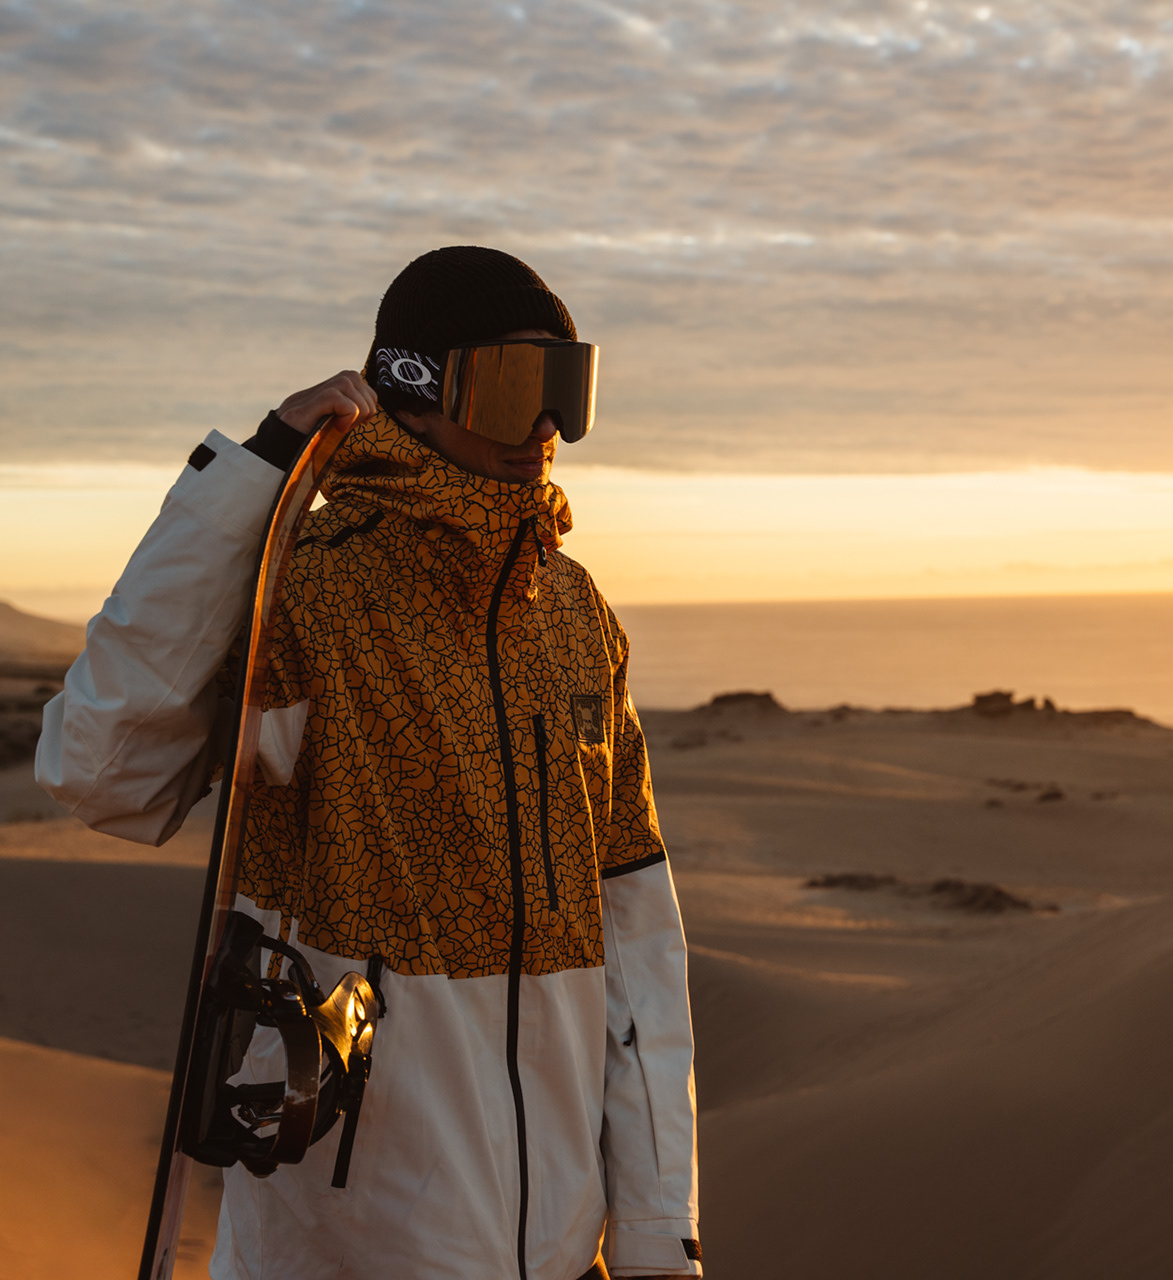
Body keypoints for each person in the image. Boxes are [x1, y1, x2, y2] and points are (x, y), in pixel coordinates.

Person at [36, 247, 699, 1279]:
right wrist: (257, 477)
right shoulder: (309, 593)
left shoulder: (575, 616)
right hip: (350, 1247)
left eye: (568, 389)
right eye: (515, 386)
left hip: (565, 1251)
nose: (547, 427)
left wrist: (659, 1236)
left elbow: (640, 940)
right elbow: (101, 769)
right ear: (416, 389)